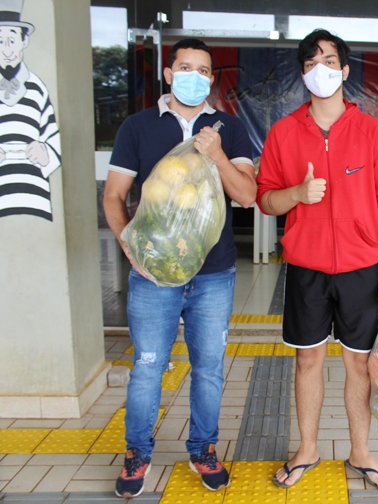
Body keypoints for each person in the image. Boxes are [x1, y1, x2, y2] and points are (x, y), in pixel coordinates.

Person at [103, 38, 257, 498]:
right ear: (168, 74)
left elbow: (247, 195)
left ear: (213, 79)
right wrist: (129, 248)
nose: (194, 75)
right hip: (153, 276)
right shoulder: (138, 127)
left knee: (208, 367)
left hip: (214, 273)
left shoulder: (227, 128)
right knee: (148, 366)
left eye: (204, 70)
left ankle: (203, 448)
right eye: (185, 67)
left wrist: (216, 155)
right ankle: (137, 453)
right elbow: (113, 197)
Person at [255, 29, 378, 490]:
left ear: (344, 70)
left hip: (362, 268)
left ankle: (361, 451)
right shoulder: (283, 133)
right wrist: (297, 194)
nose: (321, 69)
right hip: (307, 268)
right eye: (311, 62)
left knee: (358, 364)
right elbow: (265, 201)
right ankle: (308, 447)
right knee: (307, 362)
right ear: (303, 74)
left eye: (329, 60)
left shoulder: (371, 131)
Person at [0, 0, 61, 221]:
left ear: (24, 41)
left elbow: (52, 135)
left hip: (33, 189)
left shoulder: (37, 88)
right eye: (0, 41)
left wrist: (46, 153)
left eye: (12, 40)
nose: (6, 49)